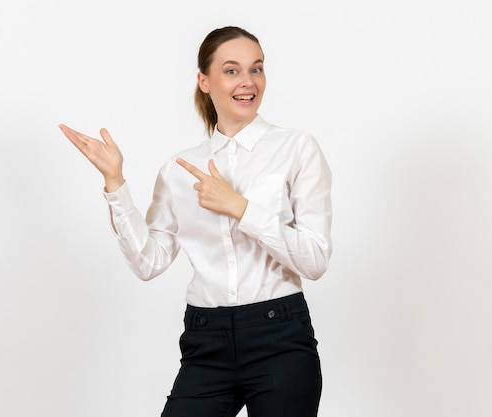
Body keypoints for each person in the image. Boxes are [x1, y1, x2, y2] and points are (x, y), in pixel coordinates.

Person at [59, 26, 332, 417]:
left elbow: (316, 260)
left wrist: (240, 207)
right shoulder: (178, 169)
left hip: (279, 337)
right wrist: (116, 183)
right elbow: (148, 262)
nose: (248, 82)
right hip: (207, 340)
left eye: (257, 69)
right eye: (232, 70)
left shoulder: (296, 148)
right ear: (204, 81)